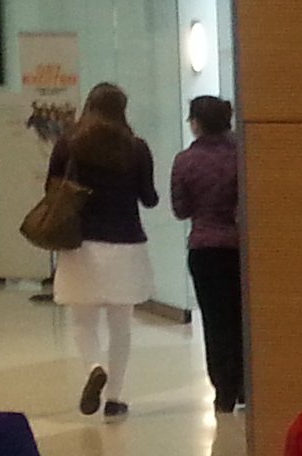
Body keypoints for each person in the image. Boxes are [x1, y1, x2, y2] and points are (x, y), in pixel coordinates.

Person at [47, 82, 158, 420]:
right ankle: (115, 399)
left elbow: (51, 188)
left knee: (83, 322)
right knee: (121, 327)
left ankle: (94, 367)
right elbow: (149, 198)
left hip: (81, 244)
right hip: (126, 244)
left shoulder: (68, 144)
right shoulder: (136, 148)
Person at [171, 94, 246, 414]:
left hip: (205, 249)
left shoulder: (185, 161)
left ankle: (224, 390)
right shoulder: (243, 155)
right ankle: (247, 385)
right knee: (243, 318)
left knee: (215, 322)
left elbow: (180, 209)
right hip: (242, 248)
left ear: (196, 123)